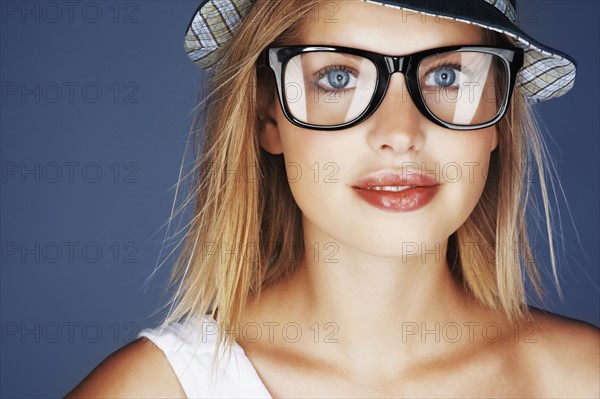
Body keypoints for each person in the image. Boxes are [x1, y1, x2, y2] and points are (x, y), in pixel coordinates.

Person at [67, 0, 599, 397]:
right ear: (267, 118)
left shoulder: (581, 379)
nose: (399, 131)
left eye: (446, 74)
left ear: (497, 119)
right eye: (338, 77)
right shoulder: (153, 391)